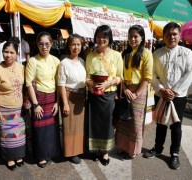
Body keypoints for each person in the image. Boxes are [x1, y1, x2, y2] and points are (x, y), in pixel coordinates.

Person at [143, 22, 192, 170]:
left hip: (178, 96)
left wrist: (175, 91)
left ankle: (174, 154)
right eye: (168, 34)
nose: (171, 37)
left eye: (174, 34)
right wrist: (161, 89)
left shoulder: (187, 53)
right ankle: (158, 148)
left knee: (176, 125)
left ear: (180, 36)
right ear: (164, 36)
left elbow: (189, 73)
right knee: (160, 123)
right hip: (161, 94)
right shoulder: (157, 53)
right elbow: (151, 75)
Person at [86, 25, 123, 166]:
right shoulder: (90, 55)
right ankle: (95, 150)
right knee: (94, 123)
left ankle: (105, 151)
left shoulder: (116, 55)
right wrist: (91, 84)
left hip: (108, 96)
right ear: (95, 38)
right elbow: (87, 76)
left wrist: (108, 84)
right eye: (99, 36)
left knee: (106, 123)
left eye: (105, 36)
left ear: (110, 39)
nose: (101, 39)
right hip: (94, 96)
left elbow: (120, 77)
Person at [114, 25, 153, 159]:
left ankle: (132, 150)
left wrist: (136, 94)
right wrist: (124, 89)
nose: (132, 39)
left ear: (142, 38)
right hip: (125, 90)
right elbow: (120, 75)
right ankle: (122, 146)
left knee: (136, 122)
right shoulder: (124, 54)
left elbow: (147, 78)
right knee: (123, 120)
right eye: (130, 36)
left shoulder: (147, 54)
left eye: (136, 36)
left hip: (139, 91)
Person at [25, 31, 60, 168]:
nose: (44, 47)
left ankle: (50, 152)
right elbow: (28, 83)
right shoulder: (33, 61)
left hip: (52, 98)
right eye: (41, 44)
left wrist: (57, 102)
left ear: (51, 44)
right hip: (39, 99)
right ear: (37, 45)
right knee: (39, 129)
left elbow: (58, 83)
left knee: (51, 129)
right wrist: (35, 104)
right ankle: (40, 156)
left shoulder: (56, 60)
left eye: (47, 44)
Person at [0, 41, 25, 171]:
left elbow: (24, 86)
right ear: (2, 52)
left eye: (11, 52)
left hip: (18, 109)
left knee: (19, 135)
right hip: (4, 109)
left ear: (16, 54)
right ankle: (9, 158)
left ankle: (18, 156)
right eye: (6, 52)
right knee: (7, 135)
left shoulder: (21, 67)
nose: (8, 55)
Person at [58, 34, 86, 164]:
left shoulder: (82, 61)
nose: (76, 47)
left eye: (78, 44)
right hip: (69, 97)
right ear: (69, 46)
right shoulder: (64, 63)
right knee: (69, 127)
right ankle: (71, 152)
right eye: (73, 44)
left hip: (81, 98)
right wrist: (65, 104)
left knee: (79, 126)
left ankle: (78, 149)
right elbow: (61, 84)